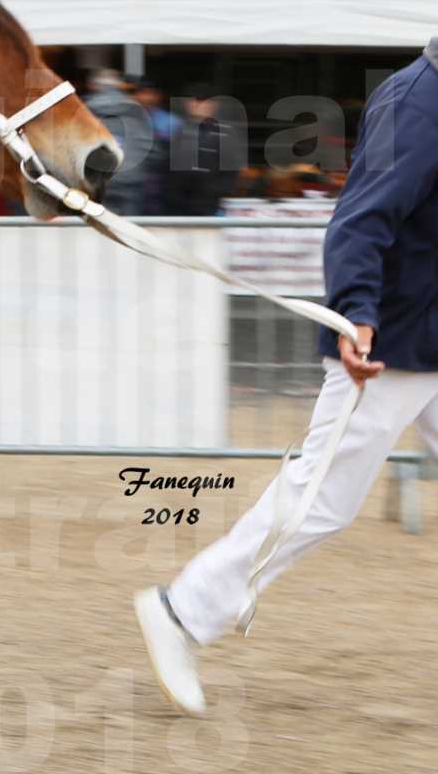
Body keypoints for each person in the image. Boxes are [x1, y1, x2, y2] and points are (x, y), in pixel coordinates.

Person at [137, 39, 438, 715]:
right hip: (389, 343)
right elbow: (358, 220)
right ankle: (182, 611)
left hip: (422, 334)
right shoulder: (417, 103)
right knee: (317, 502)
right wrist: (355, 312)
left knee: (318, 499)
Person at [85, 68, 154, 215]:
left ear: (93, 86)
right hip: (131, 181)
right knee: (129, 230)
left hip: (96, 182)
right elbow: (152, 149)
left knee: (98, 227)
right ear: (119, 86)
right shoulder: (136, 111)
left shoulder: (83, 113)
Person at [164, 84, 240, 216]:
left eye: (205, 101)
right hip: (176, 205)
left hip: (210, 205)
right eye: (195, 100)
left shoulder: (226, 134)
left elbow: (230, 172)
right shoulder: (174, 131)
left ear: (214, 105)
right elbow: (165, 167)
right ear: (186, 104)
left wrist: (214, 194)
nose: (200, 105)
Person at [131, 78, 180, 214]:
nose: (146, 98)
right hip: (131, 181)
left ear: (158, 96)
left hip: (161, 181)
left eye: (150, 93)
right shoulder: (124, 120)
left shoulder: (171, 122)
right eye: (142, 93)